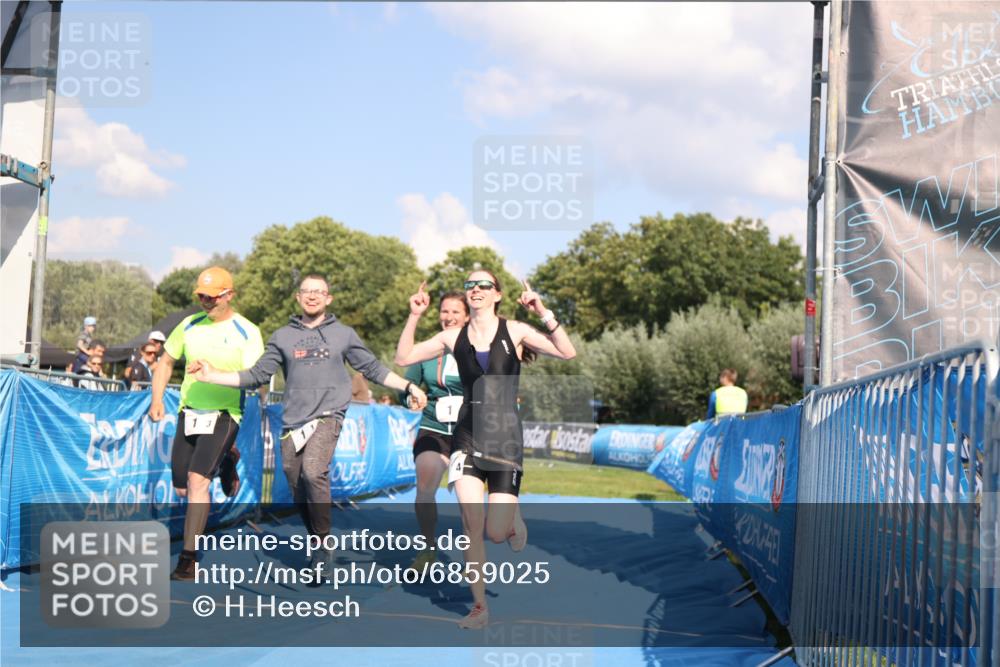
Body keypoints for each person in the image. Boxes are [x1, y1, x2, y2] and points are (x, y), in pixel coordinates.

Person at [189, 274, 427, 571]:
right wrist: (212, 375)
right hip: (293, 421)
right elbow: (257, 375)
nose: (312, 296)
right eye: (306, 291)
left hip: (329, 414)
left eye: (319, 292)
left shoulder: (343, 334)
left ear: (329, 298)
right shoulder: (282, 336)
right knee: (296, 481)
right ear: (298, 298)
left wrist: (408, 386)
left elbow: (373, 369)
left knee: (314, 471)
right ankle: (316, 539)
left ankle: (324, 543)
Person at [395, 271, 576, 629]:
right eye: (470, 286)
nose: (476, 289)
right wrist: (414, 315)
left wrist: (542, 311)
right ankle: (479, 607)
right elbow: (404, 358)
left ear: (497, 295)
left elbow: (567, 352)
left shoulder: (516, 331)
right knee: (470, 523)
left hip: (505, 438)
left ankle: (511, 519)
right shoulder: (452, 336)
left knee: (495, 531)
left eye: (484, 286)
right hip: (466, 436)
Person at [148, 266, 265, 581]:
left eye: (212, 297)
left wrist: (216, 374)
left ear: (229, 295)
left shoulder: (247, 331)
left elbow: (256, 376)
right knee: (182, 487)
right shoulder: (189, 325)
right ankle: (227, 459)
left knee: (198, 482)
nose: (206, 301)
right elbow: (166, 362)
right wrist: (157, 400)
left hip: (225, 414)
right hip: (189, 412)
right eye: (201, 296)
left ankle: (188, 559)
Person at [399, 290, 469, 572]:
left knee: (467, 496)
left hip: (470, 431)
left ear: (467, 316)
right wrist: (411, 398)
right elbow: (406, 388)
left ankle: (472, 553)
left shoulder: (480, 349)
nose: (449, 317)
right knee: (425, 486)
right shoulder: (428, 349)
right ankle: (428, 547)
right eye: (444, 311)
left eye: (455, 312)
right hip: (433, 427)